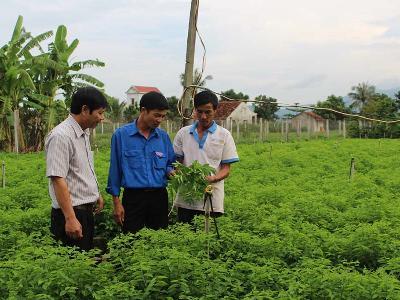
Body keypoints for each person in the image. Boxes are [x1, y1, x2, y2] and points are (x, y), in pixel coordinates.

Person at [45, 86, 108, 251]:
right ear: (85, 110)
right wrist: (70, 218)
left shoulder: (83, 133)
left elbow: (81, 169)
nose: (102, 118)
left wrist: (95, 194)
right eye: (100, 113)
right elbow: (58, 179)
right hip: (71, 214)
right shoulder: (61, 136)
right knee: (70, 268)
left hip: (84, 212)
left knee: (83, 265)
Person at [106, 91, 175, 233]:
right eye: (156, 115)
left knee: (159, 240)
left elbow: (170, 164)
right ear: (143, 111)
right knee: (131, 240)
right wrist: (116, 203)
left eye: (163, 116)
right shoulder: (121, 135)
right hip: (133, 199)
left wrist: (171, 171)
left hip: (159, 197)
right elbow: (115, 170)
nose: (159, 120)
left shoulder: (163, 137)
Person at [173, 90, 239, 223]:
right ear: (195, 111)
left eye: (208, 111)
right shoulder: (183, 134)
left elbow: (226, 169)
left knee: (208, 240)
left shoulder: (224, 135)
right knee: (185, 236)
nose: (203, 116)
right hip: (186, 198)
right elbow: (176, 164)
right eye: (199, 111)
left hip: (211, 198)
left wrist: (213, 178)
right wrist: (181, 174)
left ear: (215, 110)